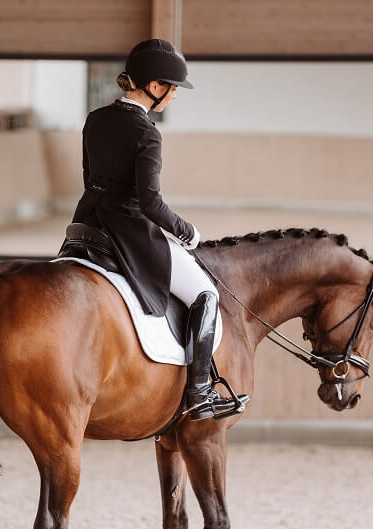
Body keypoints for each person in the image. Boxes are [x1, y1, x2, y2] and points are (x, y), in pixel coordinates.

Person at [69, 38, 246, 421]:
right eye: (173, 88)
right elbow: (150, 204)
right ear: (154, 86)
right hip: (128, 233)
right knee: (205, 292)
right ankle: (199, 391)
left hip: (85, 225)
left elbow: (90, 180)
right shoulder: (146, 132)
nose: (175, 96)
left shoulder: (95, 119)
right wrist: (187, 232)